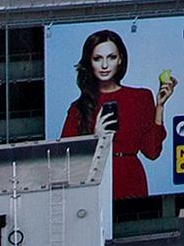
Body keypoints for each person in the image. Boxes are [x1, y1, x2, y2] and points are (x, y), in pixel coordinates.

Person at [57, 28, 168, 199]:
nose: (104, 65)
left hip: (132, 179)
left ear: (120, 60)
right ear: (89, 62)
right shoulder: (79, 108)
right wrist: (96, 138)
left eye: (111, 57)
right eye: (97, 58)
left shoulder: (141, 97)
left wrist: (159, 107)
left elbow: (152, 152)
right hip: (96, 181)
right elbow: (66, 163)